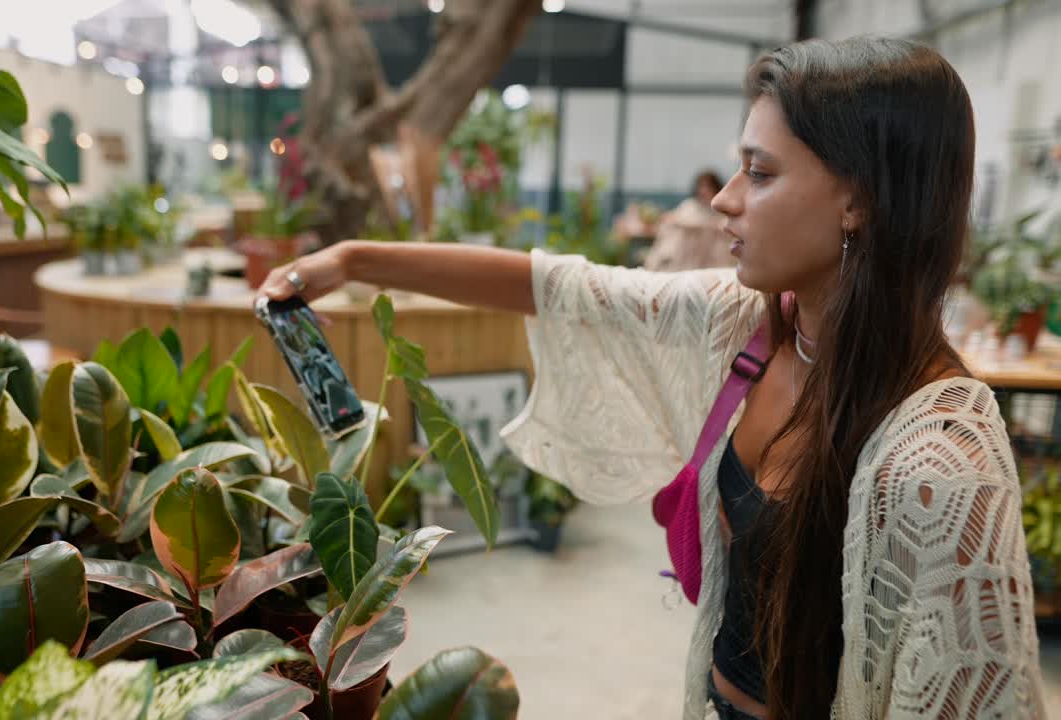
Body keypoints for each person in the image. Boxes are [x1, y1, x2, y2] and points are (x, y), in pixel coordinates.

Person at [258, 36, 1045, 720]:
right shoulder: (751, 323)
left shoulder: (943, 465)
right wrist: (355, 259)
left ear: (858, 201)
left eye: (760, 174)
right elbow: (556, 284)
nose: (727, 202)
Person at [642, 169, 737, 272]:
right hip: (683, 253)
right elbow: (674, 219)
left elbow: (725, 225)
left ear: (715, 187)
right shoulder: (689, 205)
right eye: (701, 186)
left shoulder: (720, 208)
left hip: (711, 256)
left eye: (708, 186)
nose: (704, 190)